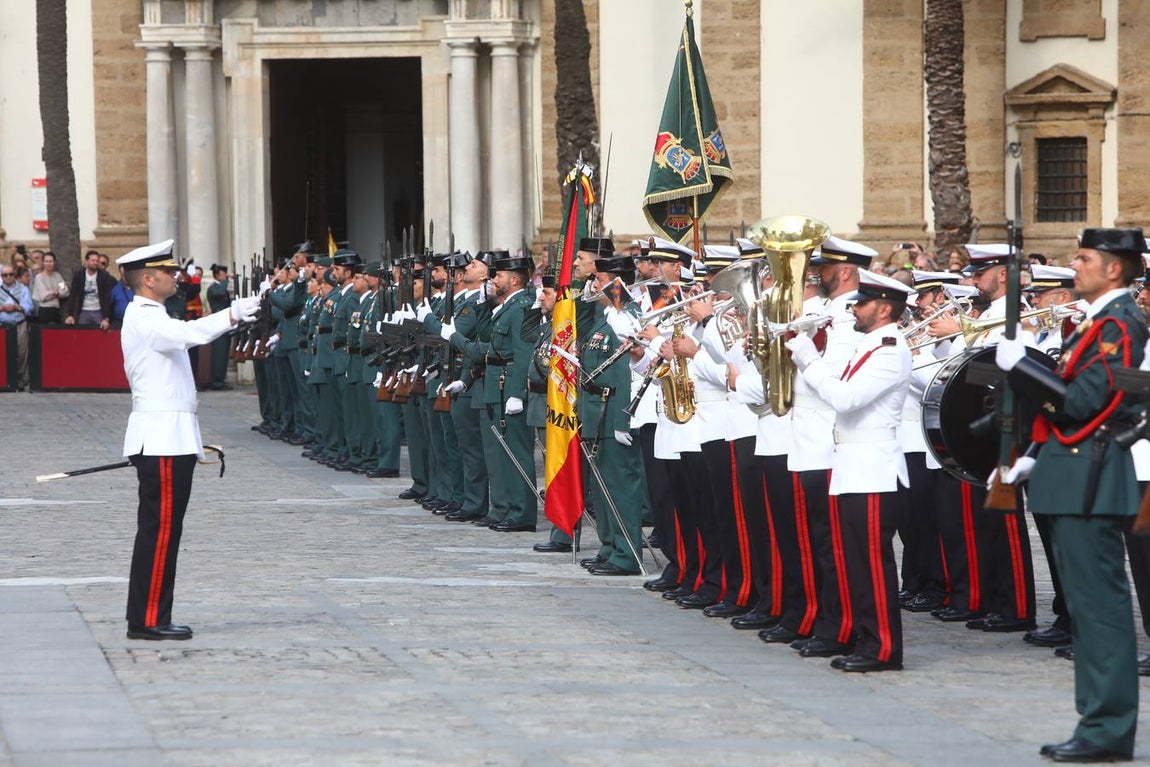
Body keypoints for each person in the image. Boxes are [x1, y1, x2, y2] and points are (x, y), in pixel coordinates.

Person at [994, 227, 1147, 762]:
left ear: (1114, 269)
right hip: (1071, 471)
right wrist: (1036, 451)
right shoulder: (1096, 320)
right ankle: (1095, 722)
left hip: (1091, 475)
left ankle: (1107, 730)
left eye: (1084, 258)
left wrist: (1026, 369)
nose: (1073, 265)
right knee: (1086, 609)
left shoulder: (1118, 322)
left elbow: (1086, 402)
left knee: (1100, 610)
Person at [116, 239, 260, 640]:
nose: (175, 276)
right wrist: (231, 314)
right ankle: (148, 620)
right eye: (167, 271)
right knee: (160, 532)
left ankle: (148, 615)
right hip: (161, 440)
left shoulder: (151, 313)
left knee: (163, 530)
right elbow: (189, 334)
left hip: (170, 438)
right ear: (148, 279)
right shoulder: (145, 316)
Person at [785, 269, 914, 672]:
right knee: (854, 562)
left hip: (873, 469)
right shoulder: (870, 345)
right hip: (853, 468)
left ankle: (882, 648)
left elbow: (846, 397)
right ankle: (865, 639)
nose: (854, 308)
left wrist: (808, 359)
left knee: (873, 565)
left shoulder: (890, 349)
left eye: (863, 302)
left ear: (885, 309)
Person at [0, 262, 33, 389]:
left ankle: (20, 381)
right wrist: (2, 308)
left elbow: (29, 308)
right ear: (1, 276)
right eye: (5, 275)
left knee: (21, 353)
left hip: (19, 324)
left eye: (11, 274)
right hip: (2, 326)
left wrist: (17, 307)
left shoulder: (23, 289)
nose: (8, 277)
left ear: (15, 275)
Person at [65, 249, 116, 328]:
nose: (95, 263)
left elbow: (107, 297)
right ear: (86, 261)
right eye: (93, 260)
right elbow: (73, 295)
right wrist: (70, 314)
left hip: (98, 311)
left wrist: (106, 317)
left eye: (97, 261)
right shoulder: (79, 275)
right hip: (83, 311)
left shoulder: (104, 276)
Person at [205, 264, 232, 390]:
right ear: (217, 275)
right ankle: (217, 381)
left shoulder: (220, 287)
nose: (225, 276)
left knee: (224, 353)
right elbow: (220, 293)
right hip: (218, 323)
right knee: (219, 353)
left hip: (225, 323)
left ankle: (221, 378)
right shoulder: (214, 288)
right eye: (223, 274)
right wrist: (226, 281)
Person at [31, 251, 69, 323]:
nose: (48, 264)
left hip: (56, 310)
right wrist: (57, 293)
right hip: (44, 310)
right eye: (46, 261)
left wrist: (54, 293)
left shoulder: (58, 276)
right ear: (43, 262)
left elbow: (65, 292)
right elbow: (43, 297)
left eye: (51, 261)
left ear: (54, 262)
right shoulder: (39, 277)